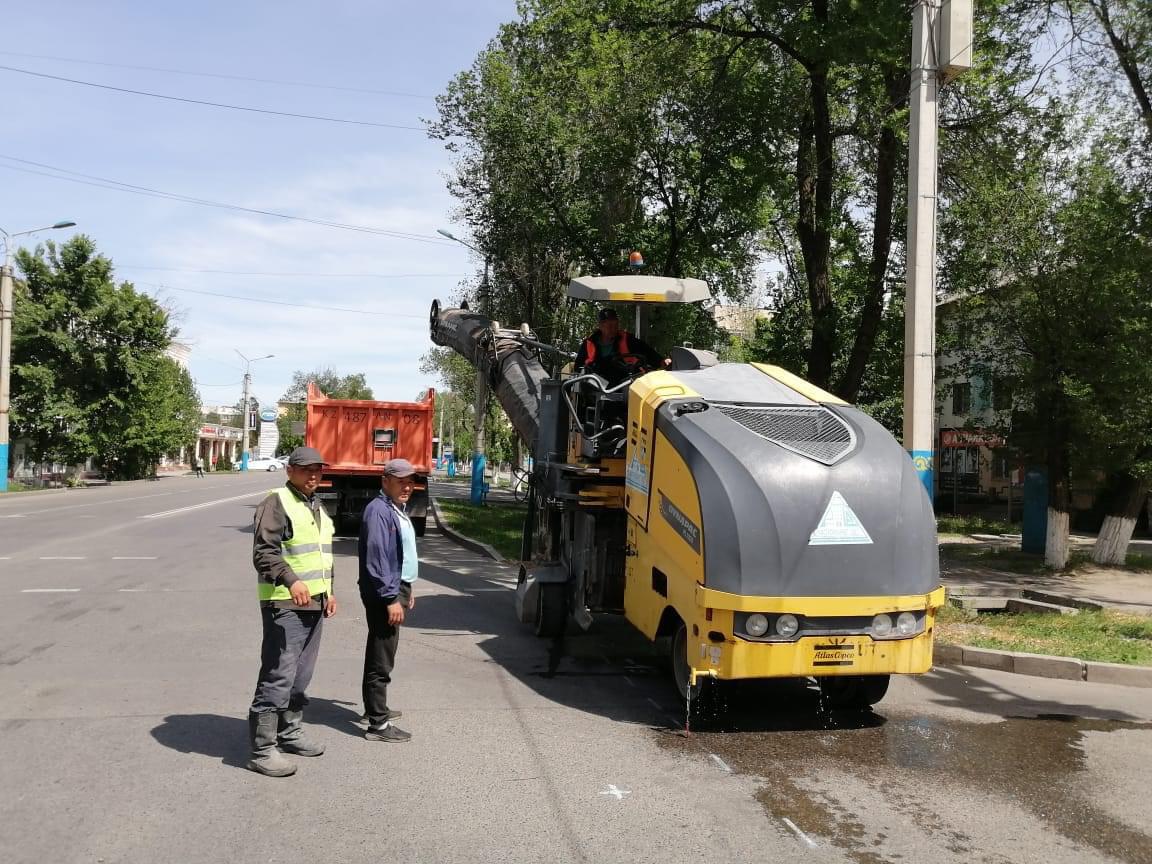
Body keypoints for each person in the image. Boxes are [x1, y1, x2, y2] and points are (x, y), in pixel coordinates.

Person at [247, 446, 338, 777]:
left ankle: (290, 732)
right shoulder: (277, 502)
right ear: (290, 471)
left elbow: (321, 555)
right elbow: (264, 553)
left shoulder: (315, 505)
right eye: (306, 469)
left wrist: (329, 592)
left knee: (301, 676)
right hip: (284, 603)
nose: (313, 475)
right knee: (279, 674)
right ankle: (262, 749)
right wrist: (292, 580)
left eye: (318, 469)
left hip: (313, 603)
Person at [358, 458, 420, 743]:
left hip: (396, 588)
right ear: (385, 481)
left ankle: (375, 709)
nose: (407, 486)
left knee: (383, 652)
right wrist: (391, 597)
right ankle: (378, 725)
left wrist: (407, 588)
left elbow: (400, 556)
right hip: (386, 593)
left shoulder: (394, 508)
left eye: (410, 481)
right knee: (381, 657)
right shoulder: (378, 512)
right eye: (400, 481)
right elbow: (378, 559)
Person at [573, 307, 666, 386]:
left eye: (616, 325)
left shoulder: (627, 339)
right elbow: (578, 367)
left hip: (623, 384)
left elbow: (647, 351)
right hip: (598, 386)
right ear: (600, 326)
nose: (613, 329)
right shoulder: (589, 343)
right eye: (610, 326)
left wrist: (662, 361)